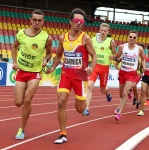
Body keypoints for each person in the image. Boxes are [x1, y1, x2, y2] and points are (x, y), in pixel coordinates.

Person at [46, 8, 97, 144]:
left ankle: (84, 105)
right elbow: (58, 56)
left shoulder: (85, 38)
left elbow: (94, 55)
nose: (79, 22)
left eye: (81, 20)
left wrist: (91, 68)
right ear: (70, 21)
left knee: (79, 109)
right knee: (61, 102)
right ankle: (63, 134)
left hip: (80, 78)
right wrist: (52, 67)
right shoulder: (63, 38)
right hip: (65, 75)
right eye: (76, 20)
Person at [11, 9, 52, 139]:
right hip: (22, 71)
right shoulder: (21, 33)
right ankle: (22, 95)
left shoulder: (47, 38)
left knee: (27, 100)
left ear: (43, 22)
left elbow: (50, 53)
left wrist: (46, 59)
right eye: (34, 19)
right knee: (18, 102)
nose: (37, 22)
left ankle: (21, 129)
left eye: (39, 20)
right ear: (31, 20)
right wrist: (14, 61)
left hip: (35, 72)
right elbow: (14, 47)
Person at [82, 23, 116, 116]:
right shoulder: (93, 39)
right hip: (94, 66)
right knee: (89, 86)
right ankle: (86, 109)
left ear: (108, 32)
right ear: (99, 30)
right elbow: (89, 51)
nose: (103, 32)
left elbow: (115, 54)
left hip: (104, 67)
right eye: (102, 30)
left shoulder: (111, 41)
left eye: (105, 31)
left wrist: (113, 57)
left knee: (102, 89)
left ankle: (107, 92)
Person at [109, 30, 145, 121]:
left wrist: (143, 66)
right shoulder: (122, 47)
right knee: (121, 94)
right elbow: (117, 56)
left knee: (124, 92)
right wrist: (113, 57)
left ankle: (119, 113)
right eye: (130, 37)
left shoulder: (139, 49)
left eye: (134, 37)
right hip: (122, 72)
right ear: (128, 37)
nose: (132, 39)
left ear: (136, 39)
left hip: (132, 74)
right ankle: (128, 94)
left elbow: (143, 59)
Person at [137, 45, 149, 116]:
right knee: (142, 92)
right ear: (147, 49)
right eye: (148, 48)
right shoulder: (144, 57)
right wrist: (141, 72)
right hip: (146, 77)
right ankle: (141, 111)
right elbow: (141, 67)